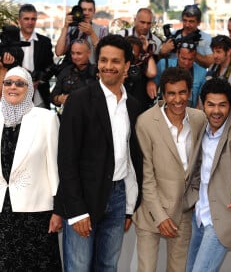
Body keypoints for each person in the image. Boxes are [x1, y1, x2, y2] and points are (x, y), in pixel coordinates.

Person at [54, 34, 143, 272]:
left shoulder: (133, 106)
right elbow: (66, 159)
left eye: (115, 61)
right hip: (84, 197)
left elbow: (132, 158)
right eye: (103, 60)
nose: (108, 66)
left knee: (107, 266)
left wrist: (128, 207)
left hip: (117, 197)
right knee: (78, 267)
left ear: (126, 66)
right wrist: (76, 211)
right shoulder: (79, 101)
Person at [133, 67, 207, 272]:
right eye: (171, 93)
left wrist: (190, 201)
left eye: (182, 92)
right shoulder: (146, 122)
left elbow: (200, 166)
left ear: (190, 93)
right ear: (163, 94)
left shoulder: (199, 119)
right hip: (150, 211)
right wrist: (160, 216)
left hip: (182, 210)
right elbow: (146, 177)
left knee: (178, 269)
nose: (177, 99)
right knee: (146, 269)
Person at [184, 77, 231, 272]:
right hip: (199, 216)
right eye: (211, 105)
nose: (216, 111)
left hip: (222, 220)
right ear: (202, 105)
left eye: (222, 105)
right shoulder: (201, 130)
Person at [0, 66, 62, 270]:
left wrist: (58, 210)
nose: (13, 87)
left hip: (37, 213)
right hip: (3, 211)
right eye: (8, 83)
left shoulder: (46, 119)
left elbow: (54, 166)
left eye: (20, 83)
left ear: (30, 89)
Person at [147, 41, 206, 108]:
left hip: (188, 112)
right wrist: (151, 82)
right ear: (177, 54)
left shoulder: (202, 72)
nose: (186, 63)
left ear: (195, 57)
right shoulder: (163, 64)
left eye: (190, 59)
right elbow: (153, 81)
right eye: (183, 58)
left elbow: (201, 100)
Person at [18, 4, 55, 109]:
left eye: (33, 19)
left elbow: (51, 66)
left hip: (39, 96)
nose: (30, 22)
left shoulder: (45, 42)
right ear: (19, 20)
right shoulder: (11, 41)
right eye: (26, 19)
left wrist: (39, 80)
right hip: (15, 94)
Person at [55, 0, 108, 65]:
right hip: (70, 72)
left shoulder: (102, 30)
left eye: (90, 10)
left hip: (91, 72)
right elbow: (59, 52)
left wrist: (92, 34)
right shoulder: (71, 29)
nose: (86, 13)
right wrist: (65, 27)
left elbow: (105, 54)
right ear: (78, 11)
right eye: (84, 10)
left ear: (94, 12)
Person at [50, 38, 97, 113]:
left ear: (89, 53)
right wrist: (60, 99)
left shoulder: (96, 72)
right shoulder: (65, 71)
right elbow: (53, 96)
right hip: (68, 116)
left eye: (79, 53)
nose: (75, 57)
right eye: (72, 53)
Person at [160, 4, 213, 68]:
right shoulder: (173, 36)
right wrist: (163, 52)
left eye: (191, 21)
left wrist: (190, 50)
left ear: (198, 22)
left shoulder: (206, 38)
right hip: (173, 73)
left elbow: (211, 63)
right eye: (185, 20)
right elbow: (160, 59)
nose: (187, 25)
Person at [124, 36, 157, 111]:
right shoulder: (116, 68)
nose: (130, 60)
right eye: (128, 55)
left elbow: (152, 73)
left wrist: (146, 52)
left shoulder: (141, 67)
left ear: (139, 55)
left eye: (133, 56)